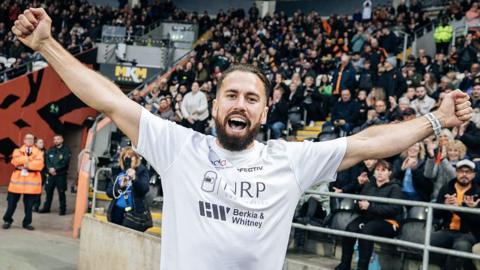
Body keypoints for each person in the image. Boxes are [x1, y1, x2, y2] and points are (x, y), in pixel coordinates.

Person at [12, 8, 473, 269]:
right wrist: (47, 45)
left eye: (251, 98)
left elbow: (369, 143)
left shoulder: (289, 159)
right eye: (230, 94)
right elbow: (111, 102)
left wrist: (435, 118)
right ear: (214, 106)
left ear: (265, 111)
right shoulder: (180, 148)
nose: (240, 104)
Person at [335, 160, 403, 270]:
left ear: (389, 173)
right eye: (377, 170)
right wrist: (360, 205)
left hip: (389, 222)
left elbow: (394, 209)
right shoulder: (369, 186)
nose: (380, 173)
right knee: (350, 228)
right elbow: (358, 205)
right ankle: (344, 264)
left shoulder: (395, 188)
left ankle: (362, 267)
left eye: (383, 170)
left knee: (367, 230)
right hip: (369, 218)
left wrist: (369, 207)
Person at [430, 159, 479, 270]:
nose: (464, 175)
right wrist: (444, 206)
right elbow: (437, 214)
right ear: (456, 172)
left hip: (467, 233)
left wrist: (464, 209)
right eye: (461, 171)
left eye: (468, 172)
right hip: (446, 230)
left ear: (474, 175)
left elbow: (477, 221)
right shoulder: (446, 188)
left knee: (461, 247)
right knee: (431, 242)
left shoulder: (478, 192)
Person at [2, 133, 44, 230]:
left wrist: (25, 164)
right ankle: (7, 220)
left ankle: (27, 223)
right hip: (16, 183)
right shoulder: (16, 150)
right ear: (24, 140)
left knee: (29, 206)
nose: (29, 140)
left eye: (31, 139)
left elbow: (39, 165)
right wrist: (29, 160)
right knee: (11, 204)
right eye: (27, 138)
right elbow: (15, 161)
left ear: (34, 141)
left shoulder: (39, 152)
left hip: (31, 185)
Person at [106, 147, 150, 231]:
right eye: (126, 157)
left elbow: (144, 189)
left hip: (134, 213)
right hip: (117, 211)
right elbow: (109, 192)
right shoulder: (118, 173)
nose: (128, 159)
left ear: (136, 158)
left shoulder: (141, 172)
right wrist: (120, 187)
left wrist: (134, 178)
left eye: (131, 156)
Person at [39, 134, 71, 215]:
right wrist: (50, 168)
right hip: (50, 175)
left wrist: (55, 169)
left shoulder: (66, 150)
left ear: (62, 140)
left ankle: (62, 210)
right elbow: (47, 160)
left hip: (60, 175)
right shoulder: (51, 149)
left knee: (61, 192)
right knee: (48, 192)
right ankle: (46, 208)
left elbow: (65, 162)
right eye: (55, 139)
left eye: (58, 139)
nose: (56, 141)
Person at [32, 138, 47, 212]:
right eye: (40, 142)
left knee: (38, 190)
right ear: (36, 144)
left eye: (42, 142)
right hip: (33, 173)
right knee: (32, 190)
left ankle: (36, 206)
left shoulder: (46, 152)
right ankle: (31, 204)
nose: (42, 144)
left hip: (41, 173)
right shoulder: (32, 152)